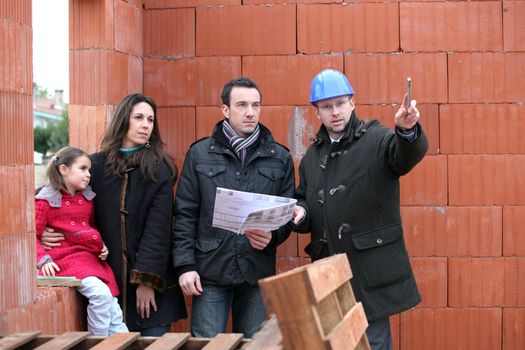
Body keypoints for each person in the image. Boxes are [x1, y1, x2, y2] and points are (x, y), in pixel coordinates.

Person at [292, 69, 428, 350]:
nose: (335, 112)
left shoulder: (376, 139)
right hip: (330, 273)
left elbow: (403, 156)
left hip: (369, 272)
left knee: (372, 344)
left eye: (340, 103)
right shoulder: (312, 157)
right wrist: (301, 213)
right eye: (327, 107)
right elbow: (306, 200)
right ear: (316, 111)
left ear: (352, 102)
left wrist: (406, 131)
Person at [41, 93, 187, 336]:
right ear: (123, 120)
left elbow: (159, 229)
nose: (145, 125)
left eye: (150, 120)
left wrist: (146, 282)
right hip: (105, 276)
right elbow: (62, 197)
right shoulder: (96, 165)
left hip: (150, 287)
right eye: (138, 117)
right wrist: (47, 227)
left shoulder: (159, 168)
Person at [173, 77, 295, 338]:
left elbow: (286, 216)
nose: (250, 112)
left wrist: (273, 237)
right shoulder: (200, 154)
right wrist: (185, 266)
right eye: (241, 105)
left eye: (256, 105)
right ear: (225, 110)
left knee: (254, 346)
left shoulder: (280, 157)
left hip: (255, 271)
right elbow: (185, 214)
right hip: (210, 271)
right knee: (207, 346)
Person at [35, 146, 128, 336]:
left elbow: (89, 227)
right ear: (64, 170)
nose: (88, 175)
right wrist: (43, 259)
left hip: (89, 261)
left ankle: (125, 342)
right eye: (83, 169)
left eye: (89, 170)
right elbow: (31, 237)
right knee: (101, 295)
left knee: (113, 307)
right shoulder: (45, 201)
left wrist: (100, 246)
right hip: (64, 262)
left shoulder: (87, 199)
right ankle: (97, 343)